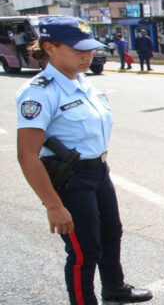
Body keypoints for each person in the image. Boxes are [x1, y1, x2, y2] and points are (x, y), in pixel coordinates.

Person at [15, 16, 152, 305]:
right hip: (71, 180)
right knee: (83, 251)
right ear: (50, 48)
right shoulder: (40, 92)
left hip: (99, 171)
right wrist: (53, 205)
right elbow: (27, 154)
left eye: (89, 49)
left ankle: (114, 288)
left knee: (112, 233)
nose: (87, 55)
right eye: (78, 50)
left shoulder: (83, 82)